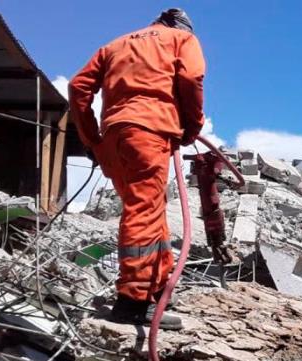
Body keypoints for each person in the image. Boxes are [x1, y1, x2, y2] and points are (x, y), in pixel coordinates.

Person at [69, 8, 205, 329]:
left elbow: (78, 87)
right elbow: (191, 77)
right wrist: (192, 126)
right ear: (181, 27)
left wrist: (92, 140)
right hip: (149, 130)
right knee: (144, 212)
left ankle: (156, 291)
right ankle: (132, 301)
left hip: (114, 138)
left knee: (150, 209)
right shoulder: (182, 39)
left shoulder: (114, 45)